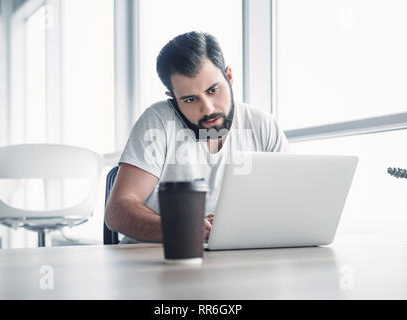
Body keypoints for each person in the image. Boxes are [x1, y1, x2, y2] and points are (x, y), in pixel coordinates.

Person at [105, 31, 290, 244]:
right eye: (190, 99)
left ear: (229, 76)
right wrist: (184, 227)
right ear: (173, 99)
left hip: (237, 260)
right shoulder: (158, 121)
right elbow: (117, 212)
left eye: (213, 90)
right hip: (157, 263)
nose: (208, 108)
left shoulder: (263, 125)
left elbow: (287, 203)